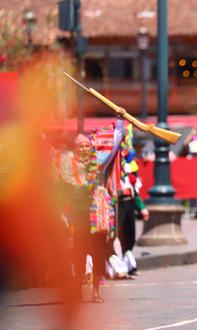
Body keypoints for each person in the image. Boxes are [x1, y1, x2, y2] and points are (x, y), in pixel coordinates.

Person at [55, 118, 124, 303]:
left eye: (87, 146)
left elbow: (116, 141)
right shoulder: (67, 166)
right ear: (75, 149)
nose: (84, 149)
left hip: (97, 217)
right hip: (78, 216)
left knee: (99, 253)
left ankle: (95, 292)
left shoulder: (98, 162)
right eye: (80, 146)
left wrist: (120, 120)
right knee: (78, 253)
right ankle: (77, 291)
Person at [117, 124, 149, 275]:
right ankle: (116, 266)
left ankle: (128, 261)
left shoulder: (131, 167)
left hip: (129, 203)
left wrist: (141, 207)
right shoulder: (113, 165)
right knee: (117, 234)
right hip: (117, 204)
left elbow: (134, 191)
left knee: (130, 233)